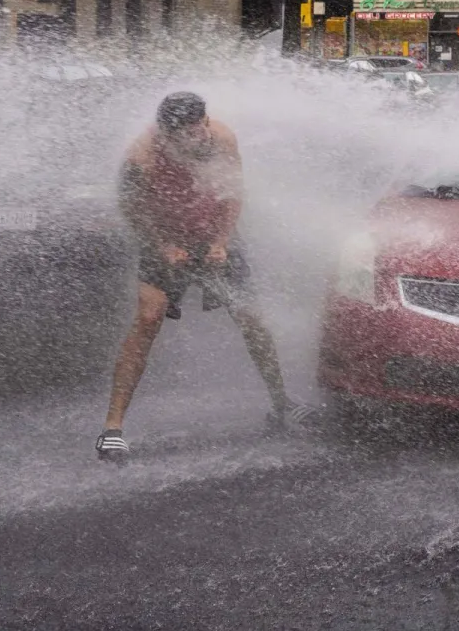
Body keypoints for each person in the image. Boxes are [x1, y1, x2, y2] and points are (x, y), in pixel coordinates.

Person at [96, 92, 309, 463]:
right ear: (167, 134)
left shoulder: (222, 139)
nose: (199, 138)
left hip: (214, 235)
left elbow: (233, 192)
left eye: (201, 128)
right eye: (188, 134)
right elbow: (131, 209)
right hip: (164, 238)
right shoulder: (141, 156)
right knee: (148, 317)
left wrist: (221, 241)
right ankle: (112, 430)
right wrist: (164, 245)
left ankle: (282, 405)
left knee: (251, 317)